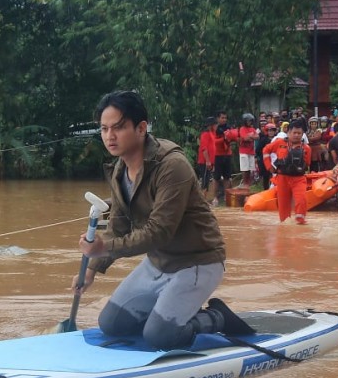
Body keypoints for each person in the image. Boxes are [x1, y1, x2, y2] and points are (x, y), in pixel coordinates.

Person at [76, 91, 253, 349]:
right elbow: (118, 227)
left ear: (141, 128)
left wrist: (102, 247)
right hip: (159, 263)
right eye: (104, 129)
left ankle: (216, 318)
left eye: (119, 127)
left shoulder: (172, 165)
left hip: (197, 262)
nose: (109, 136)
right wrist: (91, 269)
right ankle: (166, 313)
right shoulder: (119, 170)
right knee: (112, 324)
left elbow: (159, 233)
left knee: (160, 337)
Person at [265, 119, 312, 224]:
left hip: (299, 178)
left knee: (301, 200)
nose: (296, 135)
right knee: (283, 208)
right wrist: (269, 166)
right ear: (289, 132)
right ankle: (285, 225)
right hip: (282, 178)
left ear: (302, 134)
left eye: (299, 133)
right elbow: (265, 151)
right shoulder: (279, 143)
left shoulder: (306, 148)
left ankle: (300, 221)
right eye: (294, 133)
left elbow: (307, 163)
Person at [211, 111, 234, 204]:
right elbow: (213, 141)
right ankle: (215, 198)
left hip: (227, 154)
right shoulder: (214, 129)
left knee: (227, 177)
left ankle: (226, 196)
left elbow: (233, 138)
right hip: (217, 155)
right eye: (222, 118)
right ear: (218, 118)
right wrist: (223, 139)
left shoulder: (228, 128)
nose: (224, 119)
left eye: (225, 118)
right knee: (216, 177)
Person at [234, 113, 259, 188]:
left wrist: (250, 136)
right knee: (245, 168)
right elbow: (245, 138)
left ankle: (249, 183)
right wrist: (251, 136)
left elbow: (257, 137)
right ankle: (245, 183)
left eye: (251, 121)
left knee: (251, 168)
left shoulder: (252, 129)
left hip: (251, 151)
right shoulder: (242, 129)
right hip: (244, 151)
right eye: (248, 121)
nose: (250, 122)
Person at [196, 117, 217, 199]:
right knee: (204, 181)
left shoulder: (212, 133)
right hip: (204, 161)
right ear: (211, 125)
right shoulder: (205, 134)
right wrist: (208, 161)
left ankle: (204, 199)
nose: (216, 126)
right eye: (215, 125)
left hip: (210, 161)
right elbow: (204, 149)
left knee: (207, 181)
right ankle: (202, 200)